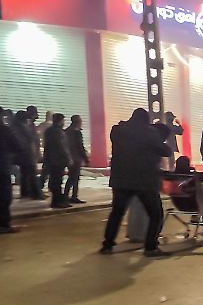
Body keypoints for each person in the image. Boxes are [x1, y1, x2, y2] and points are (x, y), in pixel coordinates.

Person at [100, 109, 172, 256]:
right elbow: (166, 151)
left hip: (121, 180)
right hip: (144, 181)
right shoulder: (150, 133)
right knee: (155, 215)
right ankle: (150, 247)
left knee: (117, 213)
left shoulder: (117, 131)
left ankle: (107, 245)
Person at [42, 112, 72, 208]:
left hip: (50, 159)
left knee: (54, 180)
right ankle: (57, 202)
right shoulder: (59, 132)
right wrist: (68, 158)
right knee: (57, 181)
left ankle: (57, 200)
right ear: (60, 121)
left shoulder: (48, 131)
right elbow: (62, 147)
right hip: (58, 160)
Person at [63, 115, 89, 204]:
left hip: (69, 157)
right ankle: (71, 196)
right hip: (76, 158)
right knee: (74, 178)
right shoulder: (77, 132)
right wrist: (86, 159)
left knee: (71, 177)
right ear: (78, 122)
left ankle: (67, 195)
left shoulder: (66, 131)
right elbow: (80, 147)